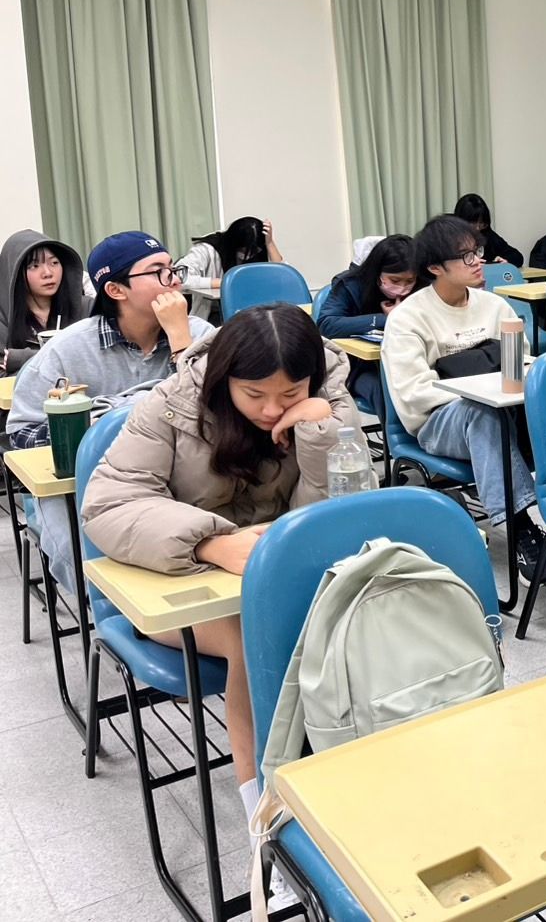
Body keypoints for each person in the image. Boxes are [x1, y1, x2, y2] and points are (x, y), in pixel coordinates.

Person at [80, 305, 363, 851]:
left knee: (360, 620)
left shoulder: (329, 401)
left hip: (282, 578)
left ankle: (350, 785)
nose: (271, 409)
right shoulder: (171, 405)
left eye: (289, 392)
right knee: (249, 635)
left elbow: (338, 518)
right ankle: (266, 823)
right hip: (178, 581)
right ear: (224, 378)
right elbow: (108, 505)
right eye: (254, 394)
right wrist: (209, 542)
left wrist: (319, 433)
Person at [8, 231, 215, 593]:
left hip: (181, 474)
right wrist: (90, 426)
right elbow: (21, 432)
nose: (174, 280)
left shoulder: (197, 332)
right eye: (159, 271)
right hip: (83, 484)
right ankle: (110, 616)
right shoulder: (69, 348)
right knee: (93, 569)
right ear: (116, 290)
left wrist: (181, 342)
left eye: (173, 269)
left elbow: (220, 410)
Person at [380, 216, 544, 576]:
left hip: (504, 410)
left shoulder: (495, 306)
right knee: (480, 413)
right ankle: (520, 526)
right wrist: (478, 391)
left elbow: (522, 363)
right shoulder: (409, 318)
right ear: (435, 267)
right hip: (438, 423)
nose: (478, 262)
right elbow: (413, 393)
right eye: (466, 256)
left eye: (477, 251)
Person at [317, 234, 416, 409]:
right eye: (395, 280)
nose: (403, 287)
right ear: (378, 273)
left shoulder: (423, 285)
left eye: (409, 281)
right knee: (388, 394)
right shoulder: (351, 284)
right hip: (360, 367)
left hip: (411, 363)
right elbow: (327, 324)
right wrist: (384, 319)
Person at [0, 230, 90, 376]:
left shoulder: (87, 308)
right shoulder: (3, 322)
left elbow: (97, 361)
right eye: (34, 266)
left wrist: (21, 358)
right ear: (14, 273)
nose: (48, 273)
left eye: (54, 263)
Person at [180, 216, 283, 319]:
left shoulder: (260, 250)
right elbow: (180, 278)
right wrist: (225, 282)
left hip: (252, 311)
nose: (248, 256)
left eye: (255, 251)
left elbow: (284, 278)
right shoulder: (206, 250)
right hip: (214, 314)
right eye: (243, 251)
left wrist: (270, 243)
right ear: (233, 244)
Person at [453, 193, 524, 268]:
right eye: (473, 223)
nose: (477, 228)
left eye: (482, 223)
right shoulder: (449, 238)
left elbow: (517, 256)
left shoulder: (486, 234)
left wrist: (505, 260)